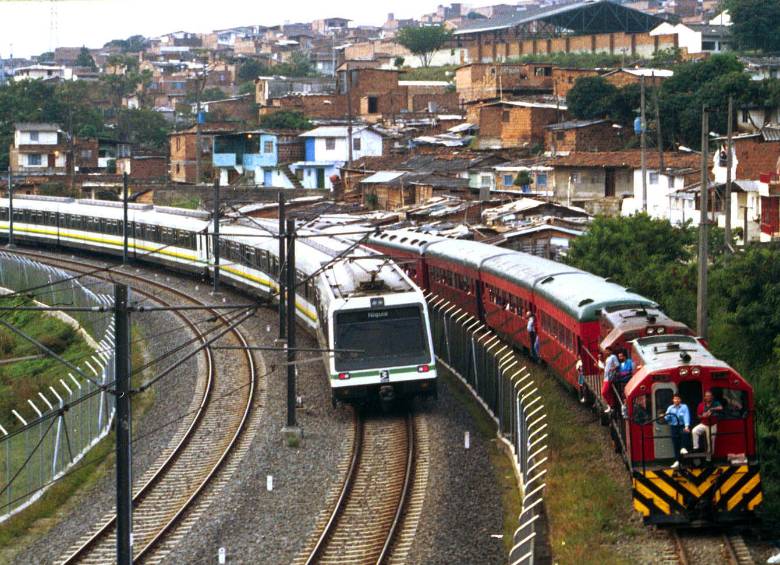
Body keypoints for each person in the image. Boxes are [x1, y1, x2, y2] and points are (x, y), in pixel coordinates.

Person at [693, 390, 723, 461]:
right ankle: (696, 448)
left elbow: (721, 408)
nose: (708, 397)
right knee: (694, 431)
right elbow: (698, 416)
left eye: (709, 396)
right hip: (704, 424)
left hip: (712, 425)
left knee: (710, 441)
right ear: (704, 397)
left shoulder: (716, 403)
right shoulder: (701, 405)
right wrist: (704, 416)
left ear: (712, 397)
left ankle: (709, 459)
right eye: (707, 396)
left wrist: (712, 409)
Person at [664, 393, 691, 469]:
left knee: (684, 433)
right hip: (673, 427)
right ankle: (677, 461)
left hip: (682, 425)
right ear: (673, 400)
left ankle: (683, 448)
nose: (676, 400)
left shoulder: (684, 407)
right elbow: (666, 418)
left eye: (678, 399)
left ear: (680, 400)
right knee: (675, 444)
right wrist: (666, 416)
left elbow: (686, 416)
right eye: (675, 399)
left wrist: (686, 426)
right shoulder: (670, 408)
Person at [601, 347, 619, 414]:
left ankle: (611, 405)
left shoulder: (613, 356)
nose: (606, 352)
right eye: (605, 351)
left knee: (604, 392)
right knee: (609, 392)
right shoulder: (607, 358)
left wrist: (612, 369)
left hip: (610, 377)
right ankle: (611, 405)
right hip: (606, 377)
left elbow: (617, 365)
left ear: (610, 351)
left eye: (607, 351)